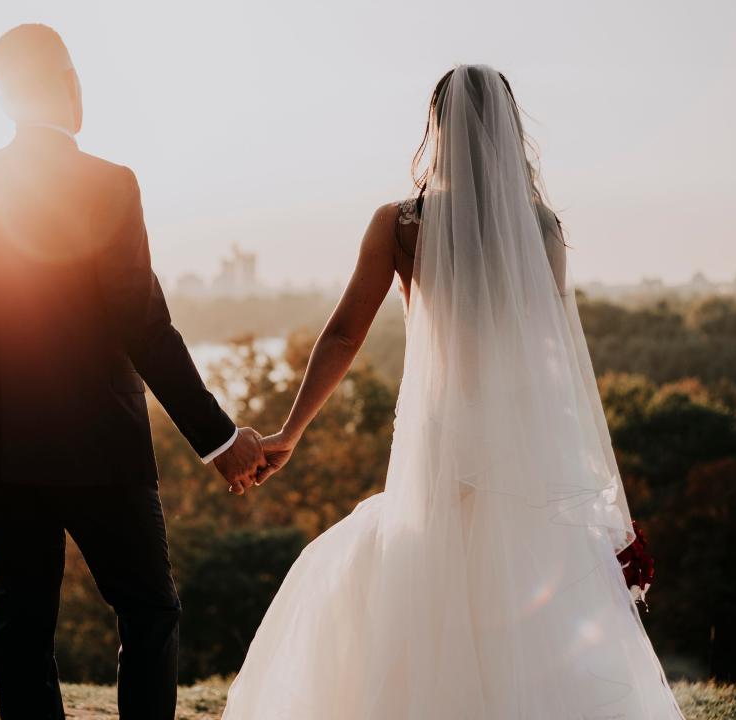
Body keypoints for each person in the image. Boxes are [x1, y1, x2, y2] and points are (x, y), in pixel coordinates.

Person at [230, 65, 686, 719]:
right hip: (520, 441)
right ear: (507, 129)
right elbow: (551, 356)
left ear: (437, 126)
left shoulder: (401, 224)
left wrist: (290, 433)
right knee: (525, 595)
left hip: (439, 437)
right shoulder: (542, 227)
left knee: (426, 582)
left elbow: (341, 336)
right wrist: (586, 480)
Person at [0, 23, 264, 720]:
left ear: (3, 98)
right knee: (149, 611)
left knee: (21, 624)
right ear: (71, 84)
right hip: (101, 448)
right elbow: (144, 326)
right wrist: (219, 439)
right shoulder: (109, 185)